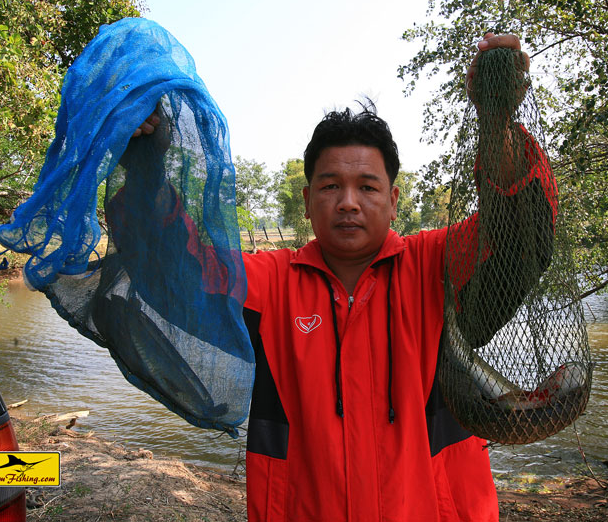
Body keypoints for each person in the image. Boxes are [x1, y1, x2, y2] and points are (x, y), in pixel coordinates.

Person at [125, 33, 553, 522]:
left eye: (367, 186)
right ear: (307, 203)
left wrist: (495, 119)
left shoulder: (433, 264)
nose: (348, 201)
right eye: (330, 186)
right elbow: (173, 269)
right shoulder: (273, 282)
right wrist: (146, 159)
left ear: (394, 201)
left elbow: (521, 232)